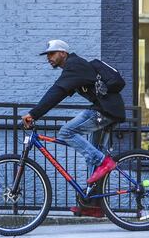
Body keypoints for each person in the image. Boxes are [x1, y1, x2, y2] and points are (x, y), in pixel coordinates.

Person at [22, 39, 126, 216]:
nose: (49, 58)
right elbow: (60, 93)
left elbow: (57, 91)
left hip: (104, 111)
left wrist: (34, 114)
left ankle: (105, 163)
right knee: (94, 157)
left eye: (52, 53)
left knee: (67, 132)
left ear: (63, 53)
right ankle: (93, 205)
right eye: (47, 55)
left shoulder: (74, 65)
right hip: (109, 110)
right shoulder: (75, 70)